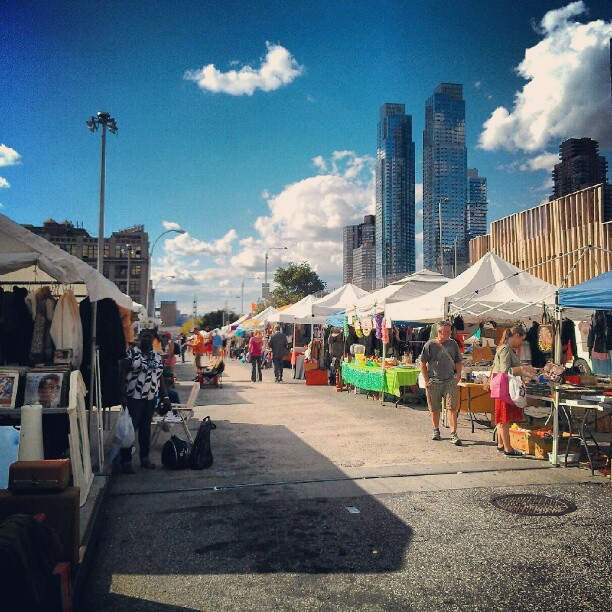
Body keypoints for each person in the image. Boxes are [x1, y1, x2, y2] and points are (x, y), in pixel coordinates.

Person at [119, 330, 171, 473]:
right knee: (130, 430)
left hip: (150, 398)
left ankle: (145, 459)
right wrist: (122, 395)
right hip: (134, 398)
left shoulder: (156, 356)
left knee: (145, 430)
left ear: (153, 338)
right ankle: (126, 461)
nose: (147, 339)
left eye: (150, 336)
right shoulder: (132, 353)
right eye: (144, 336)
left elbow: (160, 377)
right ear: (140, 338)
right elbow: (121, 373)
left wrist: (165, 396)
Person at [486, 325, 538, 457]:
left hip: (502, 387)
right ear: (516, 336)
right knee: (504, 420)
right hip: (504, 388)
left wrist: (525, 371)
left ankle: (501, 444)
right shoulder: (506, 349)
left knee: (501, 419)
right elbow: (505, 370)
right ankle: (508, 449)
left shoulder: (506, 348)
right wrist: (523, 368)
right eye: (521, 339)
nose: (521, 343)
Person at [419, 321, 463, 445]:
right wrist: (426, 380)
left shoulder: (453, 344)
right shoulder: (430, 344)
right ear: (439, 331)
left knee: (452, 407)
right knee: (434, 408)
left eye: (449, 331)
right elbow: (422, 363)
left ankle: (453, 433)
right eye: (446, 332)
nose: (448, 334)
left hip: (449, 381)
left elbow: (458, 361)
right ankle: (436, 430)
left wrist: (458, 375)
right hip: (434, 381)